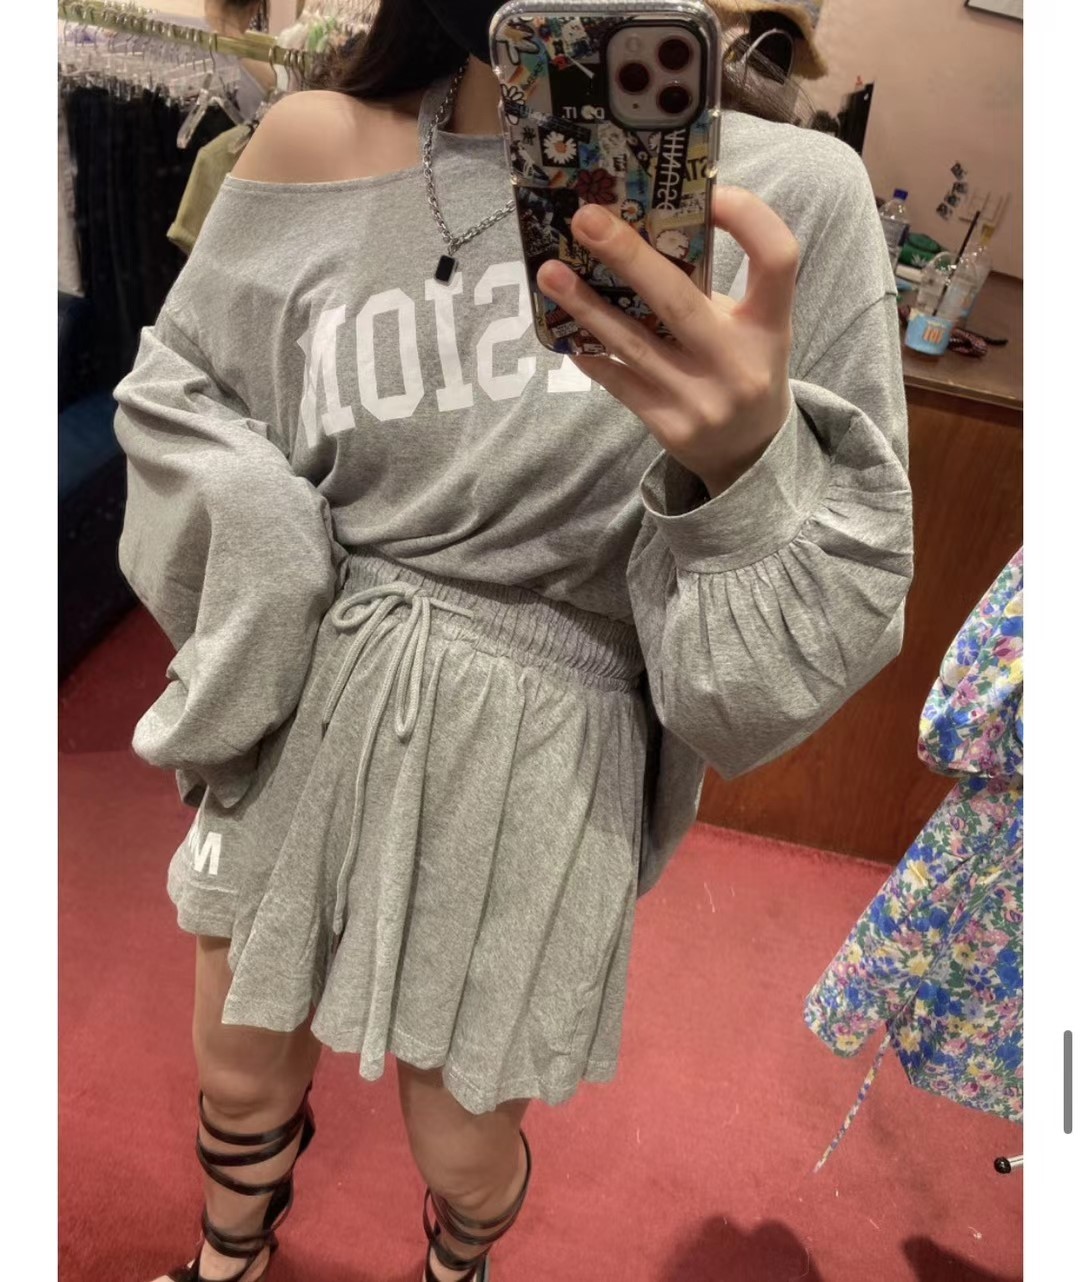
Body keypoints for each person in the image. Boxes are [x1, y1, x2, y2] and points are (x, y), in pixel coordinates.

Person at [113, 3, 914, 1280]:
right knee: (239, 1063)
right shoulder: (314, 139)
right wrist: (264, 543)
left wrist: (744, 473)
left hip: (549, 736)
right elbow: (182, 386)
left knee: (463, 1143)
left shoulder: (791, 198)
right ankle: (231, 1255)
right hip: (318, 682)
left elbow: (807, 638)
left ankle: (461, 1258)